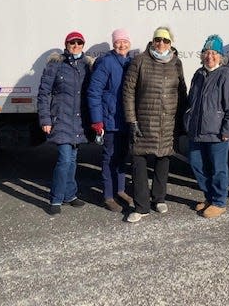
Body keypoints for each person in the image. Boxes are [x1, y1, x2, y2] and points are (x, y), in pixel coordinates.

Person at [122, 26, 187, 223]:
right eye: (158, 39)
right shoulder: (140, 60)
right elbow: (128, 91)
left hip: (167, 122)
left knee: (163, 159)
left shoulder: (176, 63)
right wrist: (131, 120)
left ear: (170, 43)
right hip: (143, 121)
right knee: (139, 162)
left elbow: (182, 91)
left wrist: (182, 120)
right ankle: (141, 206)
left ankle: (159, 198)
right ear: (152, 41)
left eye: (165, 41)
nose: (161, 44)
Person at [185, 34, 229, 219]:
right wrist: (187, 120)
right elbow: (191, 102)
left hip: (217, 133)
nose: (210, 56)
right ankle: (209, 197)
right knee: (197, 165)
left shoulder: (226, 75)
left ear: (221, 55)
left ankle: (219, 201)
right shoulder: (198, 74)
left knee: (218, 168)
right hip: (196, 131)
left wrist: (228, 129)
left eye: (214, 53)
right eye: (206, 53)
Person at [37, 31, 94, 215]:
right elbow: (44, 93)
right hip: (61, 119)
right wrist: (45, 119)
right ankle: (56, 198)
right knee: (64, 160)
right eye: (72, 43)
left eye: (79, 43)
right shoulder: (56, 64)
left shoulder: (88, 66)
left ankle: (70, 194)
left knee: (73, 160)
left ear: (83, 45)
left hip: (78, 121)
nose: (75, 45)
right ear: (66, 44)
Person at [87, 28, 134, 213]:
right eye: (118, 42)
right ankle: (108, 195)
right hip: (109, 119)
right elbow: (94, 92)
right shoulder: (106, 63)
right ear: (113, 44)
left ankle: (120, 190)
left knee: (122, 157)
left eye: (125, 41)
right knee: (109, 158)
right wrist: (97, 121)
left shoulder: (130, 62)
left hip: (125, 120)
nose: (121, 45)